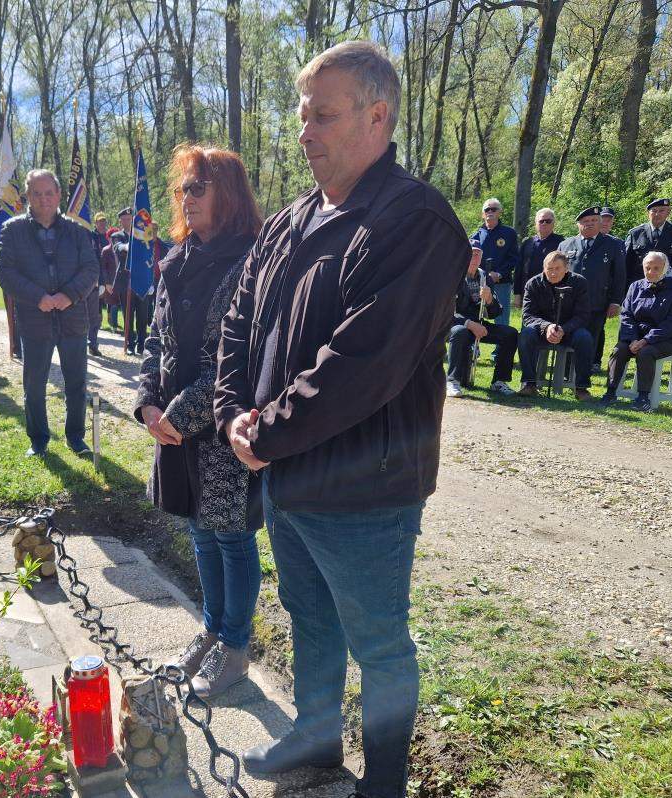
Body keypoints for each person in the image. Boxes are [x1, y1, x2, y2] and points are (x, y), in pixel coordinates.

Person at [213, 41, 467, 798]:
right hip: (288, 474)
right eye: (303, 116)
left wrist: (265, 434)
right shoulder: (292, 220)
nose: (304, 133)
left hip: (365, 490)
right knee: (308, 616)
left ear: (377, 115)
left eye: (322, 116)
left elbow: (364, 362)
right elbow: (238, 320)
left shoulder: (414, 221)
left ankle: (384, 780)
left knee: (378, 641)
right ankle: (315, 737)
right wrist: (233, 414)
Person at [134, 144, 264, 699]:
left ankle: (236, 645)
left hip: (223, 429)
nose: (186, 199)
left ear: (228, 194)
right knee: (199, 533)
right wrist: (146, 401)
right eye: (182, 188)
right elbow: (155, 342)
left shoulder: (251, 261)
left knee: (231, 539)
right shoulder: (174, 263)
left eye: (198, 187)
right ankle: (211, 630)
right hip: (175, 428)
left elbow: (232, 358)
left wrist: (180, 416)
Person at [0, 169, 99, 455]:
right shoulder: (12, 230)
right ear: (28, 196)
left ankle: (75, 437)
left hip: (73, 319)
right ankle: (38, 441)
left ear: (58, 195)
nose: (44, 199)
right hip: (35, 320)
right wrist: (37, 297)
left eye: (49, 193)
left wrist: (69, 295)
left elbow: (91, 269)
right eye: (37, 194)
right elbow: (5, 272)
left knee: (77, 383)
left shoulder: (78, 231)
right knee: (35, 385)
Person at [598, 252, 672, 411]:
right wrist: (632, 339)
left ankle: (643, 397)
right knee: (619, 350)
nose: (651, 272)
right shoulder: (635, 286)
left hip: (665, 339)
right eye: (648, 268)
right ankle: (610, 392)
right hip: (635, 337)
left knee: (645, 352)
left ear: (665, 268)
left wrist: (646, 340)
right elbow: (626, 315)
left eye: (656, 268)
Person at [517, 251, 593, 399]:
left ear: (566, 268)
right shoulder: (533, 284)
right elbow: (528, 316)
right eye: (549, 269)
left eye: (557, 268)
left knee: (584, 337)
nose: (553, 273)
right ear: (543, 268)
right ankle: (530, 383)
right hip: (541, 330)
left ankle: (581, 387)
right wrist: (547, 327)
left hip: (570, 331)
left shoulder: (579, 283)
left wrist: (564, 329)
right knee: (526, 334)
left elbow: (583, 316)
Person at [447, 241, 517, 398]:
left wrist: (490, 299)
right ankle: (452, 381)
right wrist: (469, 324)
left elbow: (495, 313)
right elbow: (445, 312)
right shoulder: (452, 275)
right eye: (470, 253)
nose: (474, 257)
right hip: (455, 324)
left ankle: (499, 381)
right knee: (460, 332)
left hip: (479, 323)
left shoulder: (485, 277)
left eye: (477, 254)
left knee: (510, 333)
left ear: (481, 257)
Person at [558, 206, 625, 373]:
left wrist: (616, 302)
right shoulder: (566, 244)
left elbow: (619, 276)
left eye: (594, 221)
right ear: (578, 224)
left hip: (596, 302)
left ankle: (582, 374)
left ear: (600, 222)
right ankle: (566, 374)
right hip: (568, 303)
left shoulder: (613, 244)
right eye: (585, 221)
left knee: (590, 338)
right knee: (567, 336)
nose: (589, 224)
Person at [469, 198, 520, 326]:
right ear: (483, 214)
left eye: (494, 209)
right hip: (479, 283)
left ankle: (501, 346)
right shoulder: (475, 237)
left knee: (501, 317)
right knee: (475, 314)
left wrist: (499, 274)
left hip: (501, 283)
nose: (490, 211)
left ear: (499, 212)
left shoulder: (509, 233)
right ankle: (472, 345)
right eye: (487, 209)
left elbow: (514, 258)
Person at [110, 208, 153, 355]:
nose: (128, 221)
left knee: (142, 315)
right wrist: (129, 246)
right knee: (128, 315)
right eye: (125, 219)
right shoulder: (117, 236)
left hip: (141, 280)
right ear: (120, 221)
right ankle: (129, 344)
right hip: (125, 281)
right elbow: (118, 248)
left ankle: (142, 345)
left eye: (130, 218)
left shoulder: (141, 235)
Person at [624, 198, 672, 287]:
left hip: (668, 286)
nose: (657, 214)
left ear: (668, 213)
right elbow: (626, 263)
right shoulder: (635, 233)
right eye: (653, 211)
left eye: (661, 211)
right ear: (648, 213)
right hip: (640, 286)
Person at [516, 208, 563, 304]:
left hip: (552, 291)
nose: (544, 223)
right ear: (536, 224)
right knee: (528, 318)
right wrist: (517, 293)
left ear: (554, 223)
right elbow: (519, 268)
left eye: (548, 221)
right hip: (529, 290)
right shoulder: (527, 243)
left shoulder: (561, 243)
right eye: (541, 221)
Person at [89, 212, 111, 354]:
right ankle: (92, 343)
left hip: (106, 281)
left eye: (104, 222)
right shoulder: (91, 237)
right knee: (93, 314)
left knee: (98, 314)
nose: (102, 224)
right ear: (95, 223)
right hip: (92, 280)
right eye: (99, 222)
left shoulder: (108, 239)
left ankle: (93, 342)